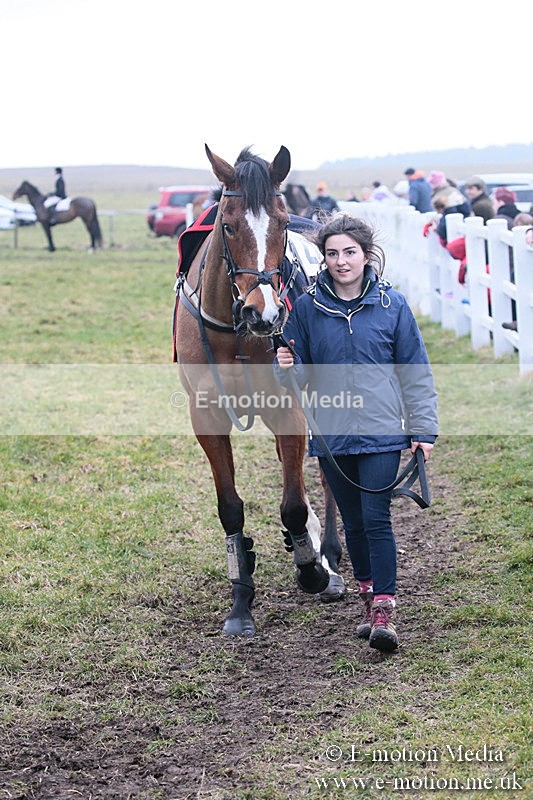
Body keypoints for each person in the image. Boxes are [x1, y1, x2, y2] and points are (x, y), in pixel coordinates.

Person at [274, 213, 438, 653]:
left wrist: (423, 429)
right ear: (323, 259)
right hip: (333, 434)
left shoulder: (393, 306)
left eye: (349, 252)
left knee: (376, 518)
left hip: (384, 431)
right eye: (332, 254)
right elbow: (296, 378)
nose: (341, 261)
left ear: (366, 255)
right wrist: (286, 366)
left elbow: (416, 373)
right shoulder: (306, 309)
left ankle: (384, 609)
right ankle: (368, 598)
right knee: (353, 523)